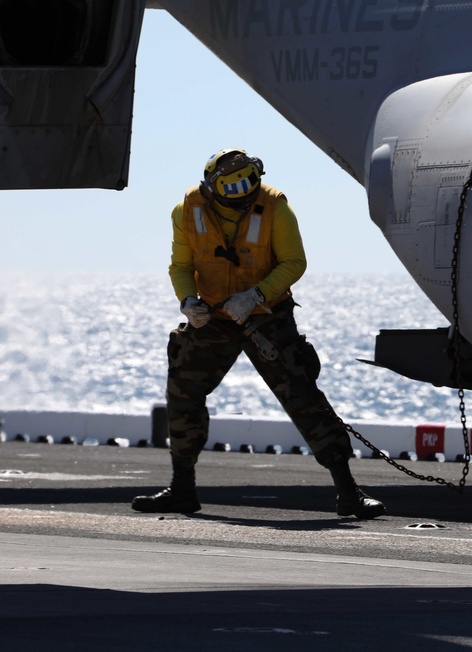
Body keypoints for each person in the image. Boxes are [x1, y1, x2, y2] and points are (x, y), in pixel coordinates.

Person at [132, 148, 385, 519]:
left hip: (266, 315)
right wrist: (188, 302)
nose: (243, 192)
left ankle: (349, 493)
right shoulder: (186, 210)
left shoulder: (275, 207)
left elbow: (294, 262)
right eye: (231, 186)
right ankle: (182, 489)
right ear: (211, 188)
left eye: (249, 181)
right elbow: (181, 265)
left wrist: (256, 296)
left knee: (301, 394)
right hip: (214, 316)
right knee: (182, 390)